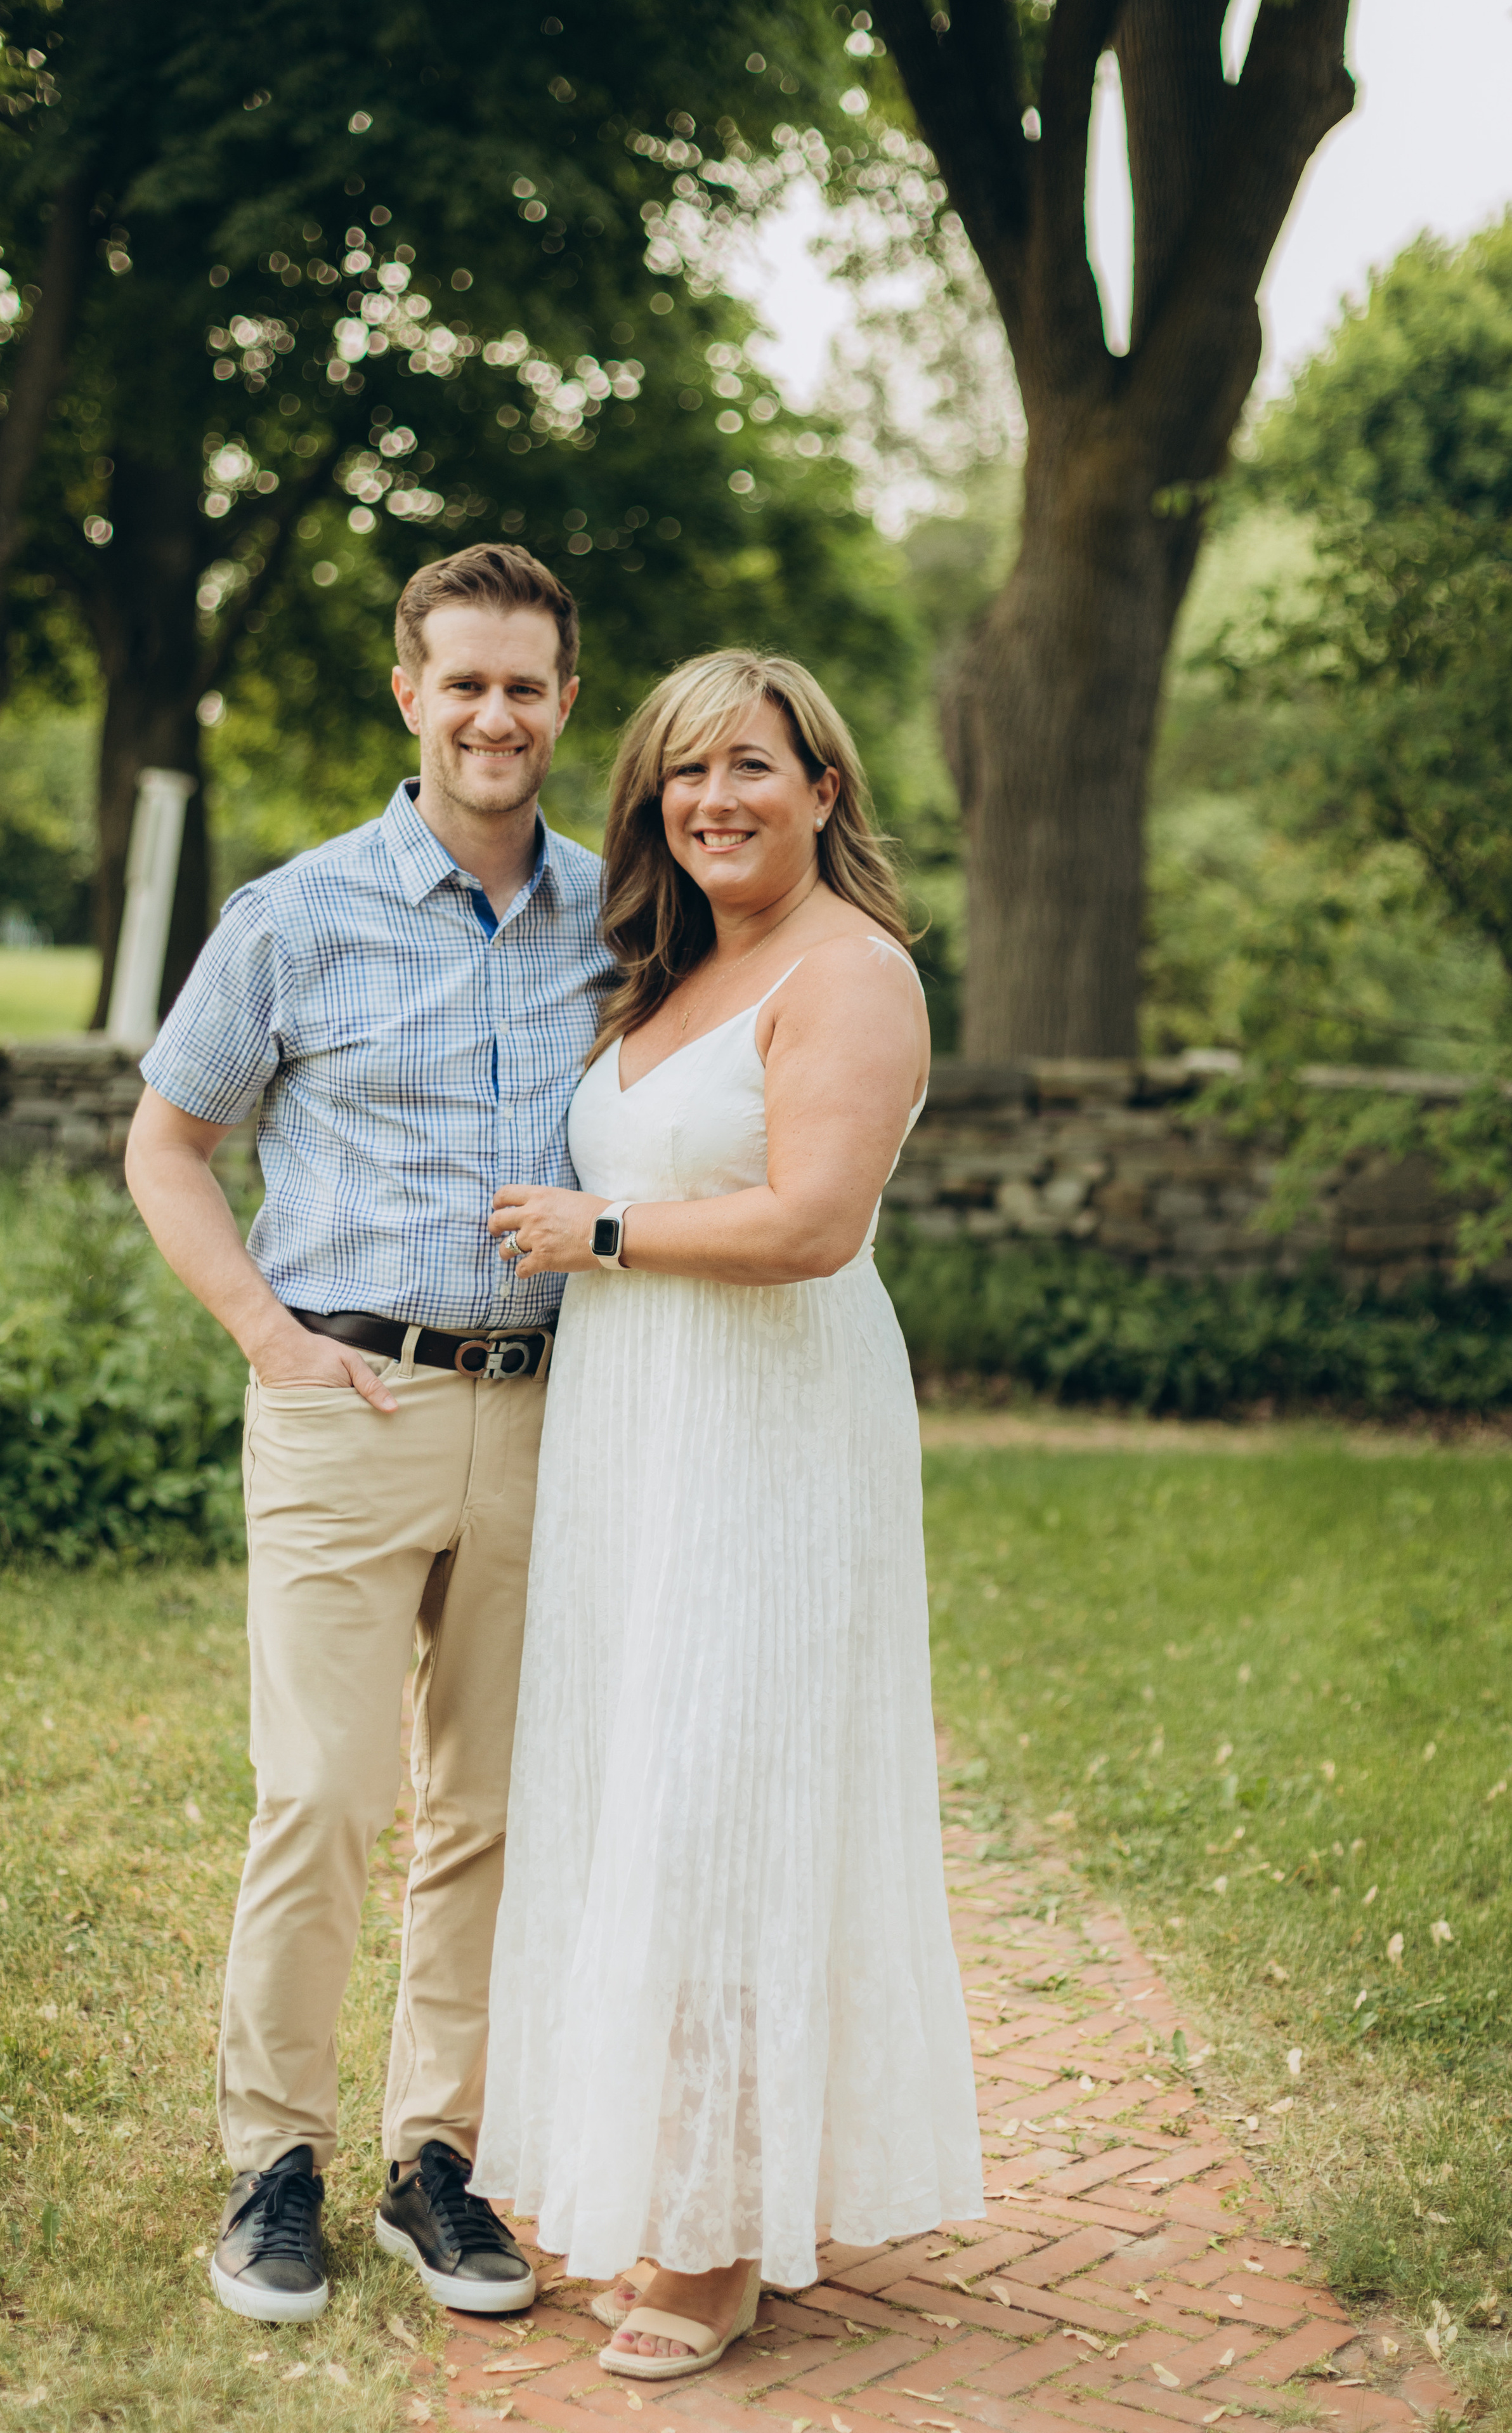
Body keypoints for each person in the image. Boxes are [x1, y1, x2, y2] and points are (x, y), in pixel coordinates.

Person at [471, 650, 982, 2380]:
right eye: (686, 776)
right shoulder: (675, 972)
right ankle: (656, 2162)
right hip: (636, 1434)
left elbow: (813, 1223)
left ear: (825, 789)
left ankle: (714, 2231)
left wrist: (595, 1230)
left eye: (752, 769)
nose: (716, 803)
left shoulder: (853, 974)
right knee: (636, 1791)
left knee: (721, 1794)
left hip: (767, 1430)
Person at [124, 544, 613, 2325]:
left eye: (528, 686)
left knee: (489, 1809)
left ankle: (438, 2165)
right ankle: (275, 2165)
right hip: (347, 1397)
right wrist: (262, 1332)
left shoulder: (617, 921)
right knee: (321, 1796)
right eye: (463, 682)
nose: (497, 714)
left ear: (566, 701)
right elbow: (165, 1142)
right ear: (408, 693)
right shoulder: (295, 913)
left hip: (552, 1412)